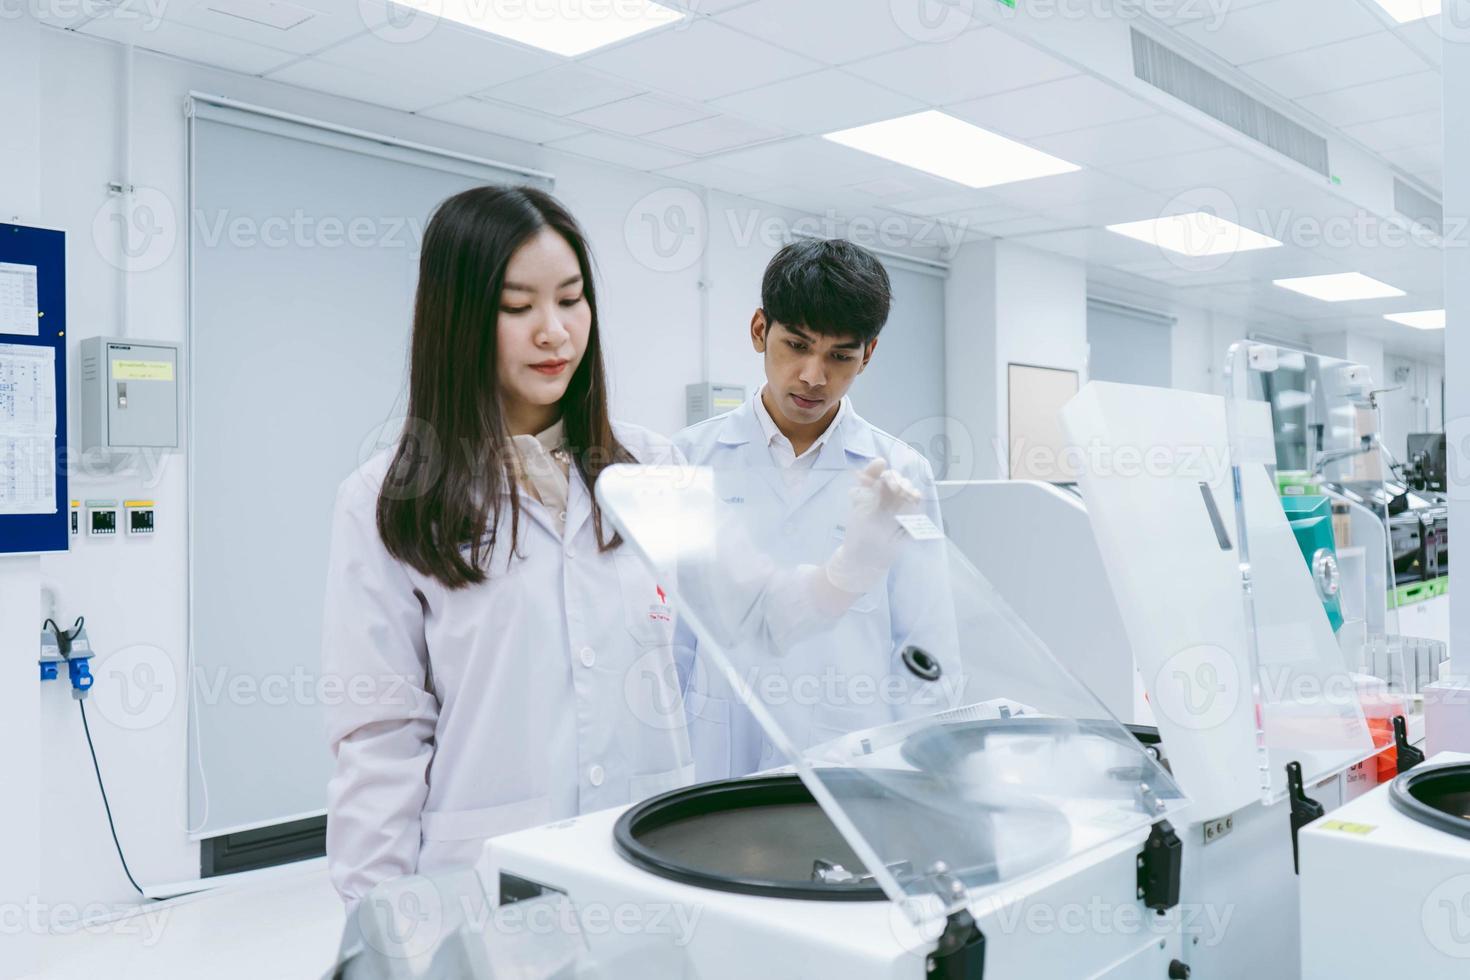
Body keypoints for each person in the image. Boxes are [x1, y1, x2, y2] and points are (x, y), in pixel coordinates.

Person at [320, 186, 692, 912]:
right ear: (457, 321)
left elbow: (705, 653)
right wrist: (384, 926)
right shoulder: (386, 497)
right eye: (517, 308)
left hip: (650, 858)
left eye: (572, 299)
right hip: (486, 881)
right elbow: (381, 737)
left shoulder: (652, 469)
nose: (554, 332)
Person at [672, 238, 947, 780]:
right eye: (796, 345)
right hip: (717, 745)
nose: (813, 376)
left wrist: (927, 774)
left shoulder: (900, 471)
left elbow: (925, 640)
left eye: (839, 356)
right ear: (759, 330)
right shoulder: (687, 460)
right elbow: (671, 633)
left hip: (849, 750)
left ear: (867, 355)